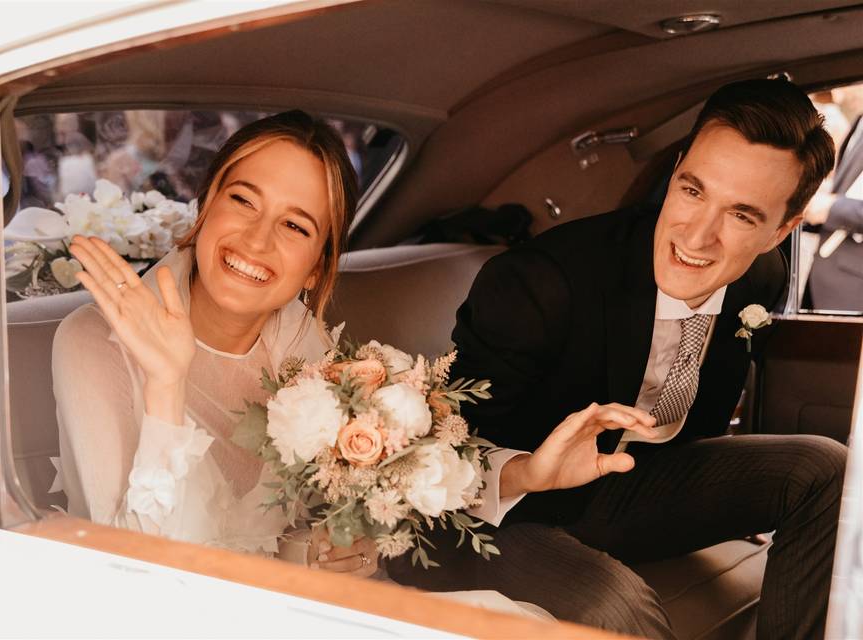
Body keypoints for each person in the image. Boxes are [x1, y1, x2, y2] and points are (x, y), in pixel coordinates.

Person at [53, 111, 616, 598]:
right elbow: (132, 582)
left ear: (319, 265)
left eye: (295, 225)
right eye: (243, 200)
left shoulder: (299, 346)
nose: (256, 240)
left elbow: (378, 488)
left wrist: (524, 474)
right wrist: (165, 385)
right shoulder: (92, 342)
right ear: (205, 207)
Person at [388, 78, 848, 640]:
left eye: (742, 215)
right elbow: (447, 458)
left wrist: (720, 501)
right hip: (501, 510)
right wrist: (536, 472)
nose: (698, 236)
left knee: (827, 468)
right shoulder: (541, 283)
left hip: (630, 485)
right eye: (693, 190)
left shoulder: (763, 276)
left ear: (783, 229)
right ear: (676, 171)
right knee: (615, 606)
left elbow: (703, 425)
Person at [803, 83, 863, 313]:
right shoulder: (858, 121)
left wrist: (831, 209)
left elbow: (837, 204)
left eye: (851, 84)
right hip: (825, 274)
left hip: (854, 286)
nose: (840, 92)